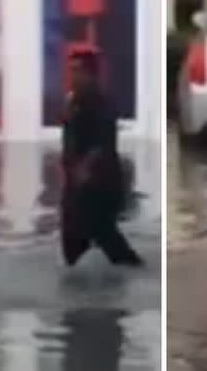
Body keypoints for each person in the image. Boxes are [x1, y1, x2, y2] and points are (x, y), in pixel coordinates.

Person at [61, 51, 143, 267]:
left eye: (78, 70)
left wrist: (85, 169)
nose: (73, 75)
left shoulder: (101, 102)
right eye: (71, 70)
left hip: (98, 183)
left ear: (91, 74)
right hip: (75, 185)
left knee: (104, 234)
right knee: (73, 241)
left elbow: (103, 141)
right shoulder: (72, 101)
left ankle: (129, 271)